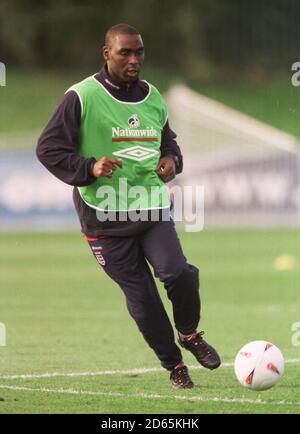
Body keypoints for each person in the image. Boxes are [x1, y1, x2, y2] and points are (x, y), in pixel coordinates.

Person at [36, 23, 221, 389]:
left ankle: (189, 332)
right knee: (144, 299)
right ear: (107, 54)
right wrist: (89, 167)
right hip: (103, 218)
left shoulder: (153, 96)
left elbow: (169, 146)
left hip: (149, 207)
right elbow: (48, 149)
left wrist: (171, 161)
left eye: (139, 52)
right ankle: (175, 366)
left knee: (178, 273)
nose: (134, 59)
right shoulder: (82, 96)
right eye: (125, 52)